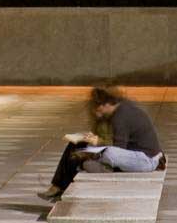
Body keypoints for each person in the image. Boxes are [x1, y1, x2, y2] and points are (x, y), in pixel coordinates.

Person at [38, 85, 166, 202]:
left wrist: (96, 144)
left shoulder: (121, 116)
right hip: (130, 155)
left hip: (146, 160)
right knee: (76, 146)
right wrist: (91, 141)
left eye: (98, 107)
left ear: (106, 104)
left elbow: (118, 149)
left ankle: (71, 183)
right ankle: (59, 186)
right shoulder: (120, 110)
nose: (96, 112)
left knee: (102, 155)